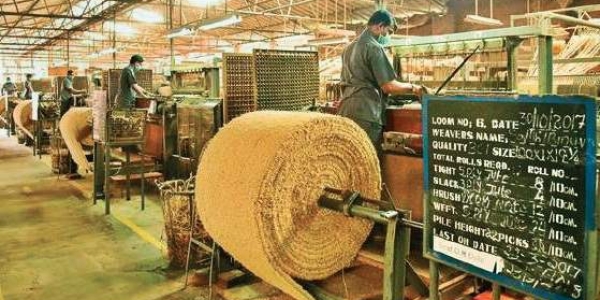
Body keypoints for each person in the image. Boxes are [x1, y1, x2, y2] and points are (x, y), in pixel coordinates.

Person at [337, 10, 425, 154]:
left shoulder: (348, 48)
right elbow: (388, 86)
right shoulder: (374, 47)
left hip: (345, 109)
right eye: (388, 31)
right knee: (367, 161)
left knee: (349, 158)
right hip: (367, 113)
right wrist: (414, 88)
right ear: (379, 26)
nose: (388, 36)